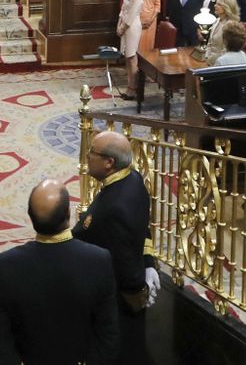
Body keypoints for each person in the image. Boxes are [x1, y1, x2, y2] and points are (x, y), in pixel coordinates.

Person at [0, 180, 118, 365]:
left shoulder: (8, 264)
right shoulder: (98, 260)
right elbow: (108, 334)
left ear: (30, 218)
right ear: (68, 214)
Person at [74, 132, 158, 363]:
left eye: (92, 152)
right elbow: (141, 229)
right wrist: (149, 263)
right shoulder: (133, 179)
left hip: (112, 299)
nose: (87, 156)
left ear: (109, 163)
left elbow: (126, 265)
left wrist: (137, 291)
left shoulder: (115, 207)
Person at [116, 0, 146, 99]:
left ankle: (133, 89)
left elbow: (132, 13)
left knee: (132, 57)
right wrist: (119, 23)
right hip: (124, 24)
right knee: (127, 58)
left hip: (132, 27)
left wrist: (122, 27)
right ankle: (130, 87)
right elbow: (123, 9)